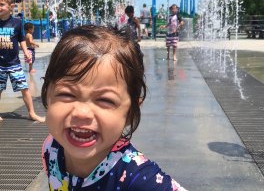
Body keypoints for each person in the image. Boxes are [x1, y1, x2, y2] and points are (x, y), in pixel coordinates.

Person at [41, 25, 187, 190]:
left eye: (105, 100)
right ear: (47, 95)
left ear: (131, 112)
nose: (82, 113)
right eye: (67, 95)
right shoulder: (52, 148)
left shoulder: (140, 179)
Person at [0, 0, 45, 122]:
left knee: (24, 88)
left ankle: (32, 113)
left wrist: (26, 52)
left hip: (14, 63)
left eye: (2, 4)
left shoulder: (17, 22)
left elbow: (21, 39)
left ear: (11, 6)